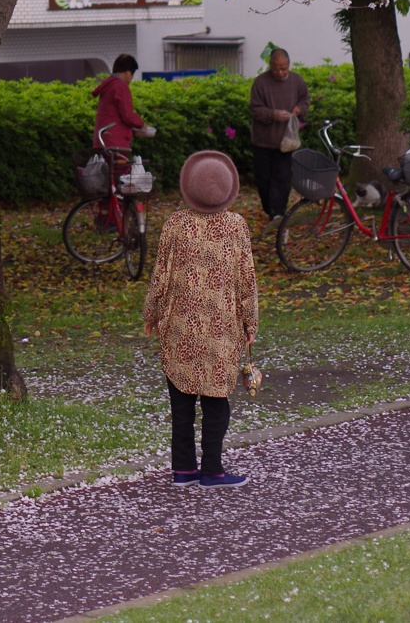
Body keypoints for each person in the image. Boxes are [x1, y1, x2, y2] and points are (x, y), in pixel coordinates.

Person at [144, 150, 257, 490]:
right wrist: (250, 322)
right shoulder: (236, 226)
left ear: (189, 189)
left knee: (181, 401)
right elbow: (246, 280)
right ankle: (213, 470)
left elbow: (160, 276)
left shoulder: (175, 224)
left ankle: (183, 470)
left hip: (180, 325)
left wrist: (151, 313)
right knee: (216, 400)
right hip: (221, 329)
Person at [250, 48, 309, 234]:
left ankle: (279, 212)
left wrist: (299, 109)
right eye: (276, 69)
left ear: (289, 65)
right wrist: (273, 114)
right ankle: (270, 209)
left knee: (283, 177)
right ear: (270, 66)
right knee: (264, 179)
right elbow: (255, 108)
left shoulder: (297, 81)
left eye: (284, 68)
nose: (280, 72)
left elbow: (305, 99)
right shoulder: (260, 83)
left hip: (287, 141)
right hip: (263, 141)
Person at [91, 54, 156, 167]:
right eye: (132, 74)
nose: (131, 78)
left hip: (102, 139)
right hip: (115, 141)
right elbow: (127, 115)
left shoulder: (109, 85)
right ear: (127, 72)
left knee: (107, 177)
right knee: (120, 176)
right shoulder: (120, 86)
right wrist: (142, 125)